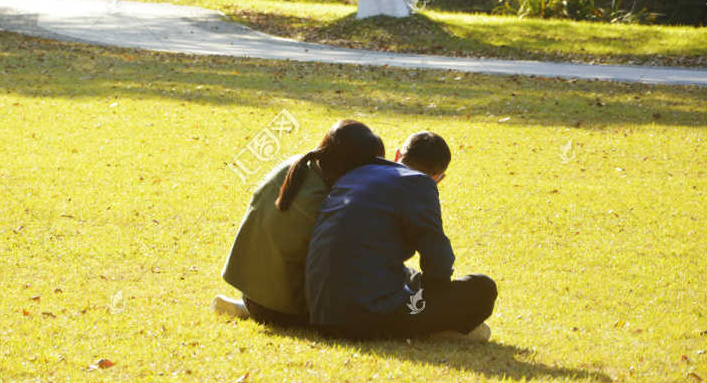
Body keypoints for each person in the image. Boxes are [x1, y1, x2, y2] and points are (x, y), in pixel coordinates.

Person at [305, 131, 497, 342]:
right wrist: (433, 300)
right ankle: (433, 326)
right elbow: (439, 266)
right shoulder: (420, 184)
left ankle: (422, 309)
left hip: (321, 314)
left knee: (408, 275)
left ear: (397, 156)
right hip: (369, 321)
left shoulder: (357, 173)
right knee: (482, 289)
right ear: (438, 179)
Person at [212, 120, 385, 327]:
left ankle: (246, 308)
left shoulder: (297, 164)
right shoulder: (332, 203)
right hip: (285, 310)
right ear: (355, 169)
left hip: (251, 292)